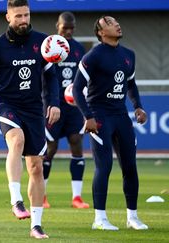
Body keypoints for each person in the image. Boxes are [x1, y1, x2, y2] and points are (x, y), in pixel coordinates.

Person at [0, 0, 60, 239]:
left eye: (26, 15)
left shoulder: (43, 43)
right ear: (8, 17)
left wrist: (54, 103)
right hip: (7, 105)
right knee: (16, 140)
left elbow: (52, 77)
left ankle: (36, 225)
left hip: (34, 108)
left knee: (35, 166)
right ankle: (16, 199)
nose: (23, 20)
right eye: (18, 17)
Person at [73, 15, 148, 231]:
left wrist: (138, 106)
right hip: (99, 116)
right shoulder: (93, 56)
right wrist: (88, 117)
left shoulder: (128, 55)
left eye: (116, 21)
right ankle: (99, 219)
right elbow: (77, 89)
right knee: (104, 167)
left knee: (130, 167)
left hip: (121, 115)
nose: (116, 24)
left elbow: (131, 84)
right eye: (110, 22)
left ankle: (132, 217)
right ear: (101, 32)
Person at [42, 12, 89, 209]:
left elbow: (86, 76)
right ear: (57, 26)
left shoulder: (79, 49)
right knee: (50, 149)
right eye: (64, 28)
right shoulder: (49, 47)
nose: (68, 31)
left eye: (71, 28)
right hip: (53, 106)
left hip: (73, 107)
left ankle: (76, 198)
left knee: (76, 143)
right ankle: (42, 196)